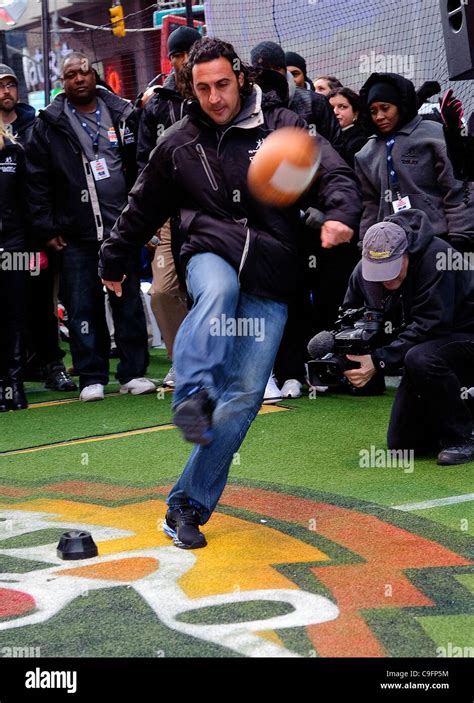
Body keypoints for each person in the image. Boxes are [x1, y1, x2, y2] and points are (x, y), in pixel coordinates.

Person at [100, 37, 358, 548]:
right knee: (215, 291)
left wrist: (339, 215)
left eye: (222, 84)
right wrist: (113, 258)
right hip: (210, 248)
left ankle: (186, 506)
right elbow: (141, 204)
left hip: (271, 268)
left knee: (242, 399)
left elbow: (333, 172)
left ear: (240, 77)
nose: (215, 98)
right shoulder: (178, 141)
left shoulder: (284, 126)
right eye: (202, 88)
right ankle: (192, 392)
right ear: (189, 89)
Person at [25, 52, 155, 401]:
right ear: (63, 83)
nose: (79, 79)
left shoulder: (123, 114)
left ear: (93, 75)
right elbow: (36, 181)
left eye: (83, 72)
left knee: (127, 303)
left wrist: (141, 218)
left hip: (120, 229)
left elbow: (141, 166)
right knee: (82, 307)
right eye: (71, 75)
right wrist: (47, 227)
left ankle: (133, 373)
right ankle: (91, 376)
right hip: (75, 232)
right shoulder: (49, 124)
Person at [343, 209, 474, 466]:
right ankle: (456, 411)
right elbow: (349, 316)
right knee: (403, 444)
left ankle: (462, 436)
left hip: (464, 335)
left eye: (391, 268)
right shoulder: (363, 271)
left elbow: (431, 326)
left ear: (406, 254)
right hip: (427, 345)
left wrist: (379, 361)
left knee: (421, 357)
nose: (386, 278)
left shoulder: (440, 257)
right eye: (377, 270)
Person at [0, 63, 76, 392]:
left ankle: (51, 363)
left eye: (11, 84)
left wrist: (46, 229)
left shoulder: (37, 126)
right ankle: (14, 372)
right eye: (0, 85)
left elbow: (45, 181)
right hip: (5, 238)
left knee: (39, 299)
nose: (6, 91)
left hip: (30, 237)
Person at [136, 26, 201, 388]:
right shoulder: (157, 104)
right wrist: (147, 218)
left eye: (190, 52)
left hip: (210, 212)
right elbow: (144, 163)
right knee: (163, 291)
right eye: (178, 54)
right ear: (172, 59)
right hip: (167, 215)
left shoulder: (217, 94)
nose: (184, 60)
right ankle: (182, 361)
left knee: (208, 289)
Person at [355, 72, 474, 253]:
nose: (379, 116)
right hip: (390, 247)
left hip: (439, 239)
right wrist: (366, 242)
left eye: (385, 108)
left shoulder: (434, 137)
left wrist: (460, 235)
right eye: (373, 111)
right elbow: (370, 205)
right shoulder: (365, 154)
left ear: (400, 106)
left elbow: (455, 187)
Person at [250, 41, 344, 152]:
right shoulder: (249, 108)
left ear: (284, 69)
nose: (272, 74)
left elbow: (337, 148)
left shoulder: (315, 102)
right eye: (264, 69)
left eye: (276, 68)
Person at [0, 112, 28, 411]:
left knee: (15, 313)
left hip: (14, 245)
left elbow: (28, 202)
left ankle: (14, 382)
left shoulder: (14, 152)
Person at [328, 86, 368, 167]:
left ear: (356, 113)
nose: (335, 112)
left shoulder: (359, 142)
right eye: (330, 108)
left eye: (342, 107)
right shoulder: (326, 138)